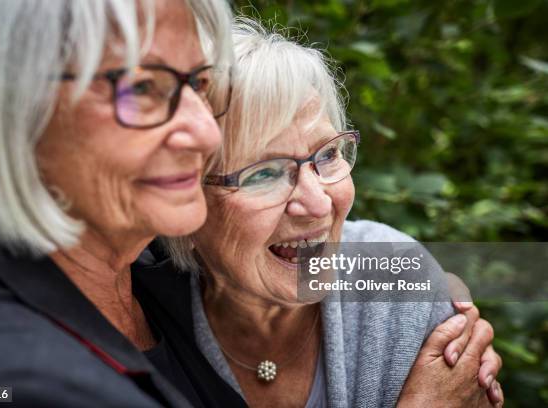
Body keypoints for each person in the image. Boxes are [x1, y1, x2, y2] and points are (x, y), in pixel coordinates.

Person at [137, 18, 504, 407]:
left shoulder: (395, 282)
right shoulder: (138, 313)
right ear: (185, 196)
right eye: (265, 173)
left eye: (327, 154)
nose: (318, 203)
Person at [0, 0, 246, 406]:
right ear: (8, 107)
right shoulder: (21, 380)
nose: (207, 134)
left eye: (199, 84)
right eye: (141, 86)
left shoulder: (149, 268)